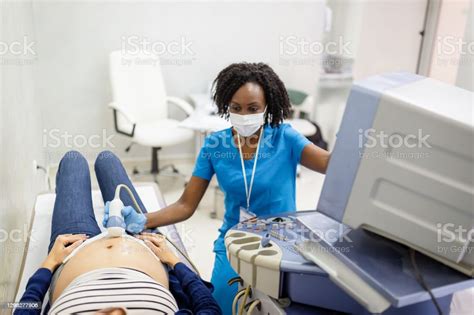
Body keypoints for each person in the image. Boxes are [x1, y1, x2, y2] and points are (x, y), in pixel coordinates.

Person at [139, 62, 331, 314]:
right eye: (236, 108)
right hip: (235, 241)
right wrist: (142, 219)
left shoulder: (286, 138)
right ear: (226, 107)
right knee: (220, 307)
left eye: (253, 108)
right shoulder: (215, 146)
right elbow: (185, 205)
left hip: (283, 242)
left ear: (266, 108)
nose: (244, 115)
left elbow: (330, 164)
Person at [15, 151, 221, 315]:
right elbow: (208, 307)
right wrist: (173, 261)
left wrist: (48, 264)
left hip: (73, 250)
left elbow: (26, 310)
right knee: (107, 159)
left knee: (72, 160)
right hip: (144, 244)